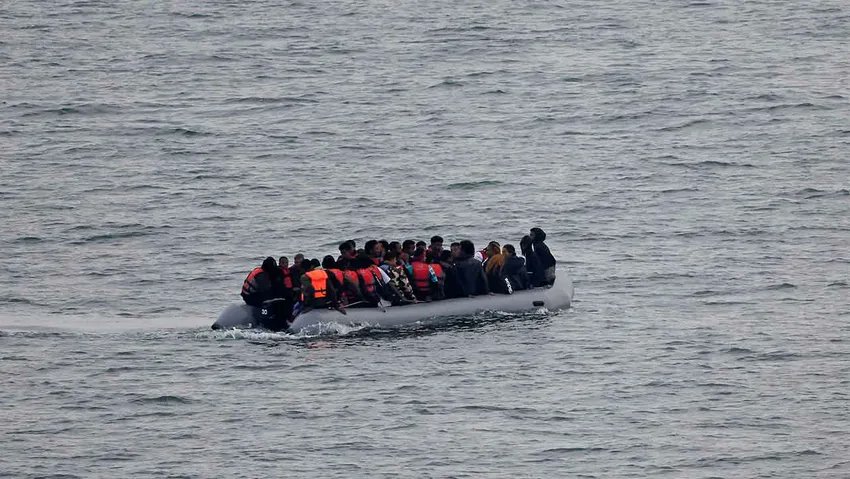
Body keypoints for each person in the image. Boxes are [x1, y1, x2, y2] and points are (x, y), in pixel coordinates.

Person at [242, 257, 291, 330]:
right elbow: (265, 290)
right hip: (250, 297)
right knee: (274, 301)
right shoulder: (262, 276)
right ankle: (270, 319)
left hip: (247, 294)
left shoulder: (258, 270)